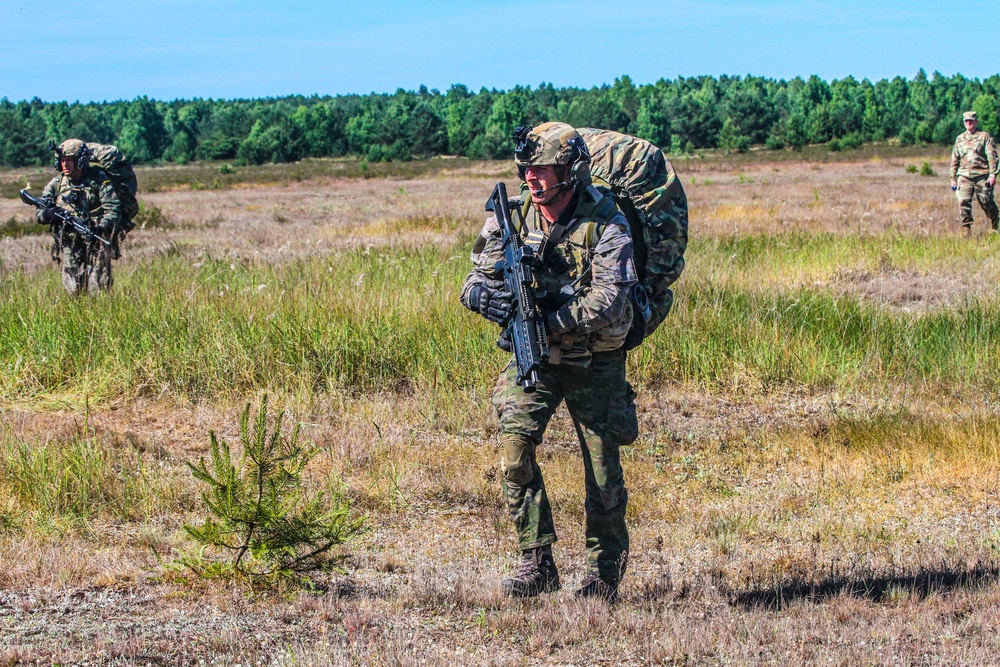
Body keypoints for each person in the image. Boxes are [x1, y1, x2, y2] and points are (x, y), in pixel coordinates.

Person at [460, 122, 639, 601]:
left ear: (570, 170)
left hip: (593, 359)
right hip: (531, 353)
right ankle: (536, 560)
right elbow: (472, 281)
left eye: (542, 169)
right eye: (526, 169)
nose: (531, 178)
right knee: (513, 452)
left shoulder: (606, 222)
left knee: (602, 471)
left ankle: (604, 572)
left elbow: (611, 302)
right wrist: (487, 300)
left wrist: (551, 320)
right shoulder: (511, 215)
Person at [36, 139, 122, 294]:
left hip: (96, 242)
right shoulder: (56, 184)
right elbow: (39, 213)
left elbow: (113, 209)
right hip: (70, 243)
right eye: (62, 160)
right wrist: (49, 213)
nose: (65, 165)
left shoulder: (99, 180)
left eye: (69, 160)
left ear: (81, 161)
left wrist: (100, 228)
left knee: (99, 288)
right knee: (73, 290)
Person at [950, 111, 999, 234]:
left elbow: (992, 157)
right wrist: (953, 177)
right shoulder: (960, 139)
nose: (969, 123)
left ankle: (995, 222)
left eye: (971, 121)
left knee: (986, 201)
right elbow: (955, 159)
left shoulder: (984, 137)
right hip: (964, 176)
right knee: (963, 201)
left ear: (976, 122)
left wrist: (992, 175)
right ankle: (966, 229)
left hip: (981, 175)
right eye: (966, 121)